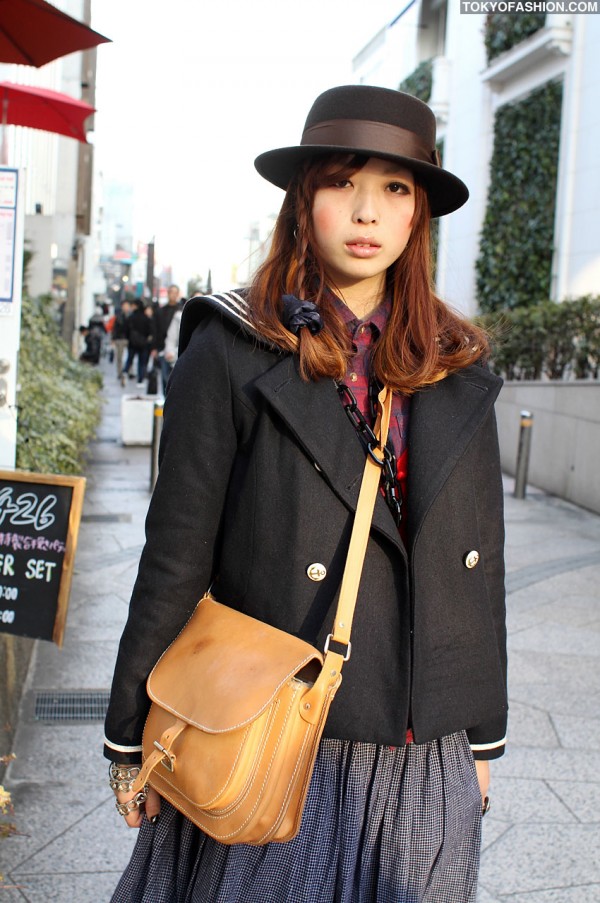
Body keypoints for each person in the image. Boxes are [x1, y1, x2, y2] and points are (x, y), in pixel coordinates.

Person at [104, 85, 507, 903]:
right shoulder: (233, 349)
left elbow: (478, 563)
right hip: (275, 729)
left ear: (418, 213)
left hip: (420, 744)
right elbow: (176, 551)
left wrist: (483, 741)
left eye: (395, 188)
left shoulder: (453, 364)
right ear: (303, 201)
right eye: (340, 182)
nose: (366, 211)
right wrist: (128, 734)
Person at [153, 284, 183, 391]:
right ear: (168, 293)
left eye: (175, 293)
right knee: (165, 378)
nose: (173, 295)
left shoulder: (182, 310)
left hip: (179, 350)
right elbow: (155, 330)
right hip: (162, 349)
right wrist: (154, 348)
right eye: (171, 292)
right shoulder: (160, 311)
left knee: (176, 380)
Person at [122, 299, 154, 388]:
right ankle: (140, 381)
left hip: (132, 343)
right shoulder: (146, 318)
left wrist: (129, 338)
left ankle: (125, 372)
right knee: (141, 363)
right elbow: (150, 331)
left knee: (129, 359)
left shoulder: (131, 317)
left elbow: (125, 330)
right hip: (143, 343)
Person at [111, 299, 132, 386]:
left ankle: (128, 371)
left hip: (129, 339)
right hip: (120, 339)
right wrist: (113, 339)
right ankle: (120, 373)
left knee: (130, 357)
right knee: (119, 357)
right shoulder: (118, 316)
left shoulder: (131, 316)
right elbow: (115, 328)